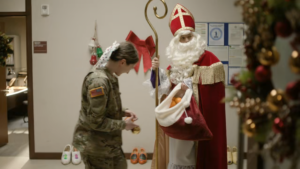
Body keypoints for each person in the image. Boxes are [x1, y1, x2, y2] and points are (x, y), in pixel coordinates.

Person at [148, 4, 227, 169]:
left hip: (201, 118)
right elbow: (163, 89)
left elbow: (214, 99)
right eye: (181, 38)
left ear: (195, 37)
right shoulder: (175, 63)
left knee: (198, 153)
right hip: (180, 116)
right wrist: (156, 70)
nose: (185, 41)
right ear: (176, 41)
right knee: (180, 154)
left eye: (188, 37)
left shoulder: (211, 61)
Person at [72, 41, 140, 169]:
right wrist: (124, 124)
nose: (128, 72)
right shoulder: (99, 81)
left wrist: (123, 112)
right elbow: (96, 121)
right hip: (96, 146)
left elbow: (105, 108)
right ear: (123, 62)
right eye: (131, 68)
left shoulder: (108, 76)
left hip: (109, 143)